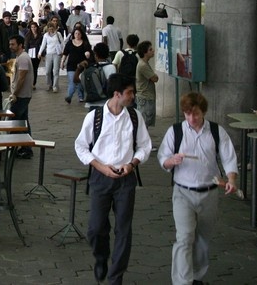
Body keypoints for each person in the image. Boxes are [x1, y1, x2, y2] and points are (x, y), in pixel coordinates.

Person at [74, 74, 152, 284]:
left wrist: (132, 163)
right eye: (129, 93)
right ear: (117, 94)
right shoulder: (95, 117)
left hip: (126, 179)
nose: (132, 96)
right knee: (96, 227)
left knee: (123, 229)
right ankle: (101, 257)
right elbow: (80, 146)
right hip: (101, 177)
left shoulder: (135, 117)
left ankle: (115, 276)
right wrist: (99, 166)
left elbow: (145, 146)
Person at [157, 92, 238, 285]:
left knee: (202, 240)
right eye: (187, 114)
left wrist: (231, 179)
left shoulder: (216, 132)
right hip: (182, 192)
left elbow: (229, 158)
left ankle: (196, 277)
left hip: (209, 192)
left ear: (204, 112)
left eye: (196, 114)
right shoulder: (175, 131)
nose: (192, 118)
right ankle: (182, 282)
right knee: (184, 237)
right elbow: (162, 158)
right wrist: (171, 161)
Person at [8, 35, 34, 159]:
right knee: (23, 121)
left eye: (13, 44)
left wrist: (15, 93)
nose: (10, 46)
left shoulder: (23, 58)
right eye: (10, 44)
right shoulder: (20, 57)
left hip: (22, 95)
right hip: (22, 94)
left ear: (20, 45)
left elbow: (22, 77)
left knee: (15, 121)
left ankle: (13, 147)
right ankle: (26, 147)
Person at [61, 27, 92, 103]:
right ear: (73, 34)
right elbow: (65, 53)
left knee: (79, 81)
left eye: (79, 33)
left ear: (81, 35)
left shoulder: (85, 43)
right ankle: (69, 96)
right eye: (75, 33)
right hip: (71, 65)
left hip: (81, 66)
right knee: (72, 81)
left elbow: (88, 53)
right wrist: (62, 62)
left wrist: (87, 54)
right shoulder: (69, 43)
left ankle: (81, 96)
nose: (77, 35)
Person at [135, 40, 158, 127]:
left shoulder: (145, 63)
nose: (153, 51)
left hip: (146, 97)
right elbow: (155, 78)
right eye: (150, 49)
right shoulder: (143, 65)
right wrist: (154, 76)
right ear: (145, 52)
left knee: (145, 124)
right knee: (144, 124)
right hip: (145, 98)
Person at [38, 22, 63, 92]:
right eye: (49, 29)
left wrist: (63, 52)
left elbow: (62, 43)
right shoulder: (45, 35)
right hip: (48, 54)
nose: (51, 31)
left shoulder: (58, 34)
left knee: (56, 71)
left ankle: (55, 86)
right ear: (47, 29)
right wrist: (39, 53)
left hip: (57, 54)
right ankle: (49, 84)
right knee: (48, 71)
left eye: (52, 29)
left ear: (54, 28)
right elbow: (43, 44)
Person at [25, 21, 42, 90]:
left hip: (37, 53)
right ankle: (29, 83)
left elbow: (42, 45)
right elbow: (26, 45)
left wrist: (41, 54)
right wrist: (26, 54)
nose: (33, 28)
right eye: (32, 27)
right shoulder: (28, 35)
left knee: (35, 69)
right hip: (30, 53)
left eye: (34, 27)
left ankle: (33, 83)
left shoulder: (40, 36)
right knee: (29, 69)